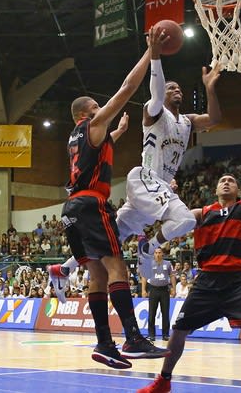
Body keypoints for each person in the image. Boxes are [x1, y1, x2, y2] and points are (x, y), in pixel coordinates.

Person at [47, 26, 169, 370]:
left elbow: (93, 152)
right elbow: (128, 88)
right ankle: (132, 338)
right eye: (98, 108)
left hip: (71, 210)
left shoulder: (74, 136)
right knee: (117, 267)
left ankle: (104, 343)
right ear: (88, 112)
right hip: (90, 204)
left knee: (97, 275)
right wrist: (151, 52)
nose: (104, 110)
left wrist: (116, 134)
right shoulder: (93, 123)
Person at [138, 130, 241, 393]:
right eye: (223, 180)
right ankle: (164, 381)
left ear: (238, 189)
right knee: (179, 328)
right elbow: (170, 215)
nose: (227, 182)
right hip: (207, 281)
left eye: (231, 180)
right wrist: (169, 193)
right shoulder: (201, 213)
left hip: (238, 280)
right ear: (216, 189)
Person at [116, 46, 222, 278]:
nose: (177, 90)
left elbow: (214, 119)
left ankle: (64, 268)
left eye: (179, 88)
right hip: (144, 179)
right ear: (162, 93)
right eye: (171, 87)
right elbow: (155, 94)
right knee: (183, 218)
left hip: (158, 188)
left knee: (113, 235)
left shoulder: (187, 121)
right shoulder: (153, 112)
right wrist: (155, 56)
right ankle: (147, 245)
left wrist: (210, 89)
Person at [141, 247, 176, 341]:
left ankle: (165, 335)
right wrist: (143, 290)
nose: (158, 254)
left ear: (162, 254)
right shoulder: (149, 264)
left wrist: (173, 288)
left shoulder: (168, 264)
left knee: (165, 313)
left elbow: (172, 276)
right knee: (152, 313)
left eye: (159, 252)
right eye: (156, 252)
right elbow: (144, 277)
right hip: (153, 290)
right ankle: (151, 335)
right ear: (154, 254)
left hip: (165, 290)